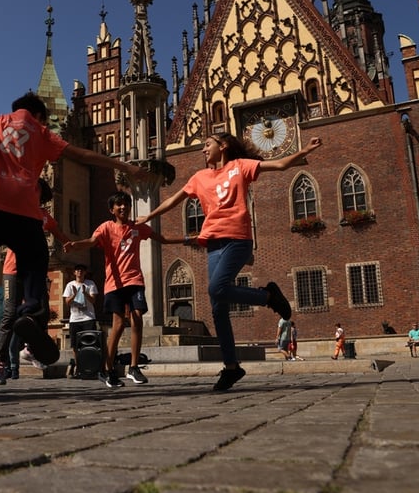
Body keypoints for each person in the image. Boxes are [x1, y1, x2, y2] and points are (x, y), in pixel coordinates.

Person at [0, 92, 141, 388]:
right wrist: (125, 167)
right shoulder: (43, 133)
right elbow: (83, 155)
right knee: (36, 265)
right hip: (23, 211)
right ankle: (32, 315)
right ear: (41, 116)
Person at [136, 132, 323, 390]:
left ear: (222, 146)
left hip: (237, 240)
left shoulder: (240, 166)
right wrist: (147, 217)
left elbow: (279, 164)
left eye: (207, 145)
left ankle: (268, 296)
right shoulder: (199, 178)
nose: (203, 150)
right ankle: (232, 367)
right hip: (213, 244)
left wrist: (304, 151)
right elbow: (173, 199)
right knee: (217, 308)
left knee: (216, 288)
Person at [65, 191, 186, 388]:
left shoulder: (138, 227)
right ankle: (107, 368)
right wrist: (75, 245)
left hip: (134, 280)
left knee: (137, 317)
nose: (123, 207)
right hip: (114, 284)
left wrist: (187, 239)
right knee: (119, 324)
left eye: (126, 204)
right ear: (111, 209)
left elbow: (161, 239)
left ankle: (134, 367)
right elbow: (91, 241)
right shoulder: (106, 227)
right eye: (119, 204)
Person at [0, 179, 69, 384]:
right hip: (13, 270)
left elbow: (56, 231)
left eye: (37, 192)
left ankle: (30, 349)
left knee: (41, 312)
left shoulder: (44, 216)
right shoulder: (15, 211)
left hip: (34, 270)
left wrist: (67, 242)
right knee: (9, 315)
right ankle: (0, 362)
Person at [63, 263, 99, 377]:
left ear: (85, 272)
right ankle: (79, 367)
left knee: (90, 343)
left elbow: (93, 301)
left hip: (88, 317)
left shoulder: (90, 284)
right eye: (77, 270)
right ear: (74, 273)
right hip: (75, 319)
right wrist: (74, 295)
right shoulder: (70, 285)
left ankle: (90, 366)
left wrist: (84, 293)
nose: (79, 272)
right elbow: (67, 302)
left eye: (82, 270)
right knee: (75, 345)